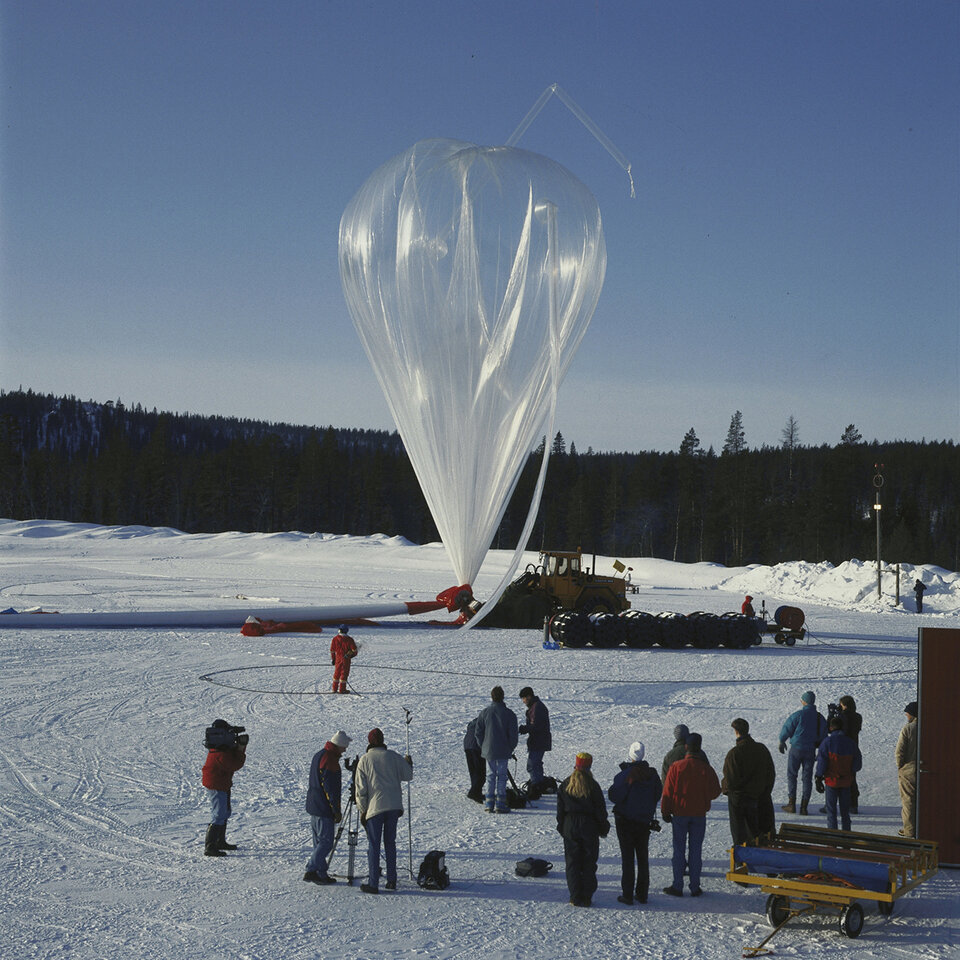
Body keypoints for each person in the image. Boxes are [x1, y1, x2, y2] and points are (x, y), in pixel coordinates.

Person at [661, 733, 721, 897]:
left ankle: (677, 885)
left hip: (680, 813)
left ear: (686, 747)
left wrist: (665, 811)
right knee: (696, 851)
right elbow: (716, 791)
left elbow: (667, 791)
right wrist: (703, 796)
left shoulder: (676, 767)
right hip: (699, 814)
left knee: (679, 850)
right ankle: (695, 886)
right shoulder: (706, 768)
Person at [355, 727, 413, 893]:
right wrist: (409, 763)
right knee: (390, 843)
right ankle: (391, 880)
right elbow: (408, 776)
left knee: (374, 845)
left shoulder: (365, 760)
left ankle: (373, 883)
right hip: (394, 806)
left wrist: (362, 810)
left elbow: (361, 790)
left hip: (375, 808)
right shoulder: (394, 756)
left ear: (369, 742)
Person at [608, 741, 662, 905]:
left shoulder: (626, 775)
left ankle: (628, 894)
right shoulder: (652, 775)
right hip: (644, 820)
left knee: (628, 857)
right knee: (642, 856)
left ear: (630, 755)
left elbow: (615, 796)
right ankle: (642, 893)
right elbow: (657, 793)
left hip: (625, 820)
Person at [557, 752, 610, 907]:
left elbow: (560, 810)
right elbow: (600, 810)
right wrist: (603, 827)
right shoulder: (593, 785)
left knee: (572, 862)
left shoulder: (566, 784)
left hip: (570, 824)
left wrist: (562, 827)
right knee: (589, 861)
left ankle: (574, 895)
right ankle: (586, 896)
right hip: (589, 825)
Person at [303, 729, 352, 884]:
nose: (345, 750)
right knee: (325, 843)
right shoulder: (330, 760)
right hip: (323, 807)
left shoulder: (319, 754)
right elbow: (331, 789)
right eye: (344, 747)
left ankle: (321, 873)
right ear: (339, 745)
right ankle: (311, 869)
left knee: (318, 842)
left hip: (314, 805)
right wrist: (336, 810)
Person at [721, 718, 776, 846]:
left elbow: (731, 780)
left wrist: (725, 789)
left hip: (741, 800)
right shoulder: (761, 749)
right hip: (761, 796)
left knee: (741, 834)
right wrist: (765, 791)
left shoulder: (734, 753)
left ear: (736, 732)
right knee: (759, 830)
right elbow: (770, 773)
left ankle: (742, 858)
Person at [201, 721, 248, 856]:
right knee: (219, 814)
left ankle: (220, 841)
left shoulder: (221, 748)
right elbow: (235, 764)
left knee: (225, 812)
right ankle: (210, 846)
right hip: (216, 785)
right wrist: (240, 749)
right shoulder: (220, 753)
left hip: (221, 783)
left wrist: (238, 747)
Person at [778, 691, 826, 815]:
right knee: (807, 778)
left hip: (796, 749)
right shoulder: (819, 718)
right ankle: (804, 807)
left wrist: (782, 740)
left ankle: (791, 804)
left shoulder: (798, 715)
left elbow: (787, 728)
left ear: (804, 701)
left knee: (792, 775)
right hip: (810, 751)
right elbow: (823, 736)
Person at [474, 686, 519, 813]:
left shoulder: (485, 712)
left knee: (490, 776)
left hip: (488, 750)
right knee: (502, 776)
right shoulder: (509, 714)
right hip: (504, 750)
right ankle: (500, 803)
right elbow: (513, 735)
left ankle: (489, 802)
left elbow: (478, 732)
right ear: (502, 696)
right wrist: (510, 747)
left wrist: (483, 746)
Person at [815, 716, 862, 831]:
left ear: (831, 728)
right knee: (845, 812)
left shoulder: (827, 742)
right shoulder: (850, 743)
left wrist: (818, 776)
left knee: (831, 812)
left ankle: (833, 839)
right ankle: (846, 838)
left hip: (831, 781)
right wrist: (850, 770)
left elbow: (822, 761)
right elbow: (857, 764)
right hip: (846, 781)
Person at [518, 686, 552, 794]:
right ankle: (540, 785)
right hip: (538, 741)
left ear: (529, 696)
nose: (523, 701)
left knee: (532, 765)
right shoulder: (535, 707)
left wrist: (524, 729)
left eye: (524, 698)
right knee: (535, 764)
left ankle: (536, 787)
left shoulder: (537, 707)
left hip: (539, 741)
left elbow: (537, 726)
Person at [895, 701, 918, 838]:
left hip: (908, 770)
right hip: (923, 768)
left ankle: (909, 830)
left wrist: (900, 766)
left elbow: (899, 752)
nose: (906, 715)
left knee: (908, 801)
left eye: (907, 713)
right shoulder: (929, 728)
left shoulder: (908, 728)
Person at [463, 716, 485, 803]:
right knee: (480, 772)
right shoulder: (487, 722)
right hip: (476, 747)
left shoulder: (474, 722)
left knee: (473, 771)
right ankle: (474, 793)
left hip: (467, 745)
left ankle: (476, 791)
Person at [329, 624, 358, 694]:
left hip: (338, 659)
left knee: (337, 673)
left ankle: (334, 689)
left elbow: (332, 650)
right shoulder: (350, 639)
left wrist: (333, 659)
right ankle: (342, 690)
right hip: (346, 659)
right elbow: (354, 650)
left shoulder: (335, 639)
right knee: (344, 674)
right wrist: (351, 655)